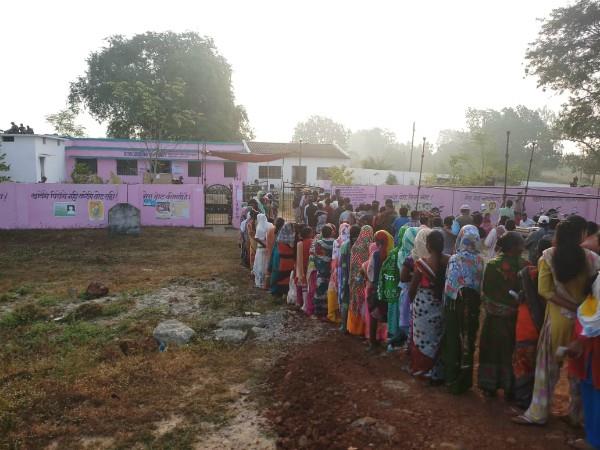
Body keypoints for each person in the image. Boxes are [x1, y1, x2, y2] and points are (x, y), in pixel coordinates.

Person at [514, 217, 600, 426]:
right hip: (583, 326)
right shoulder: (593, 259)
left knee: (546, 369)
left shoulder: (548, 257)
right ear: (581, 235)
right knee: (578, 373)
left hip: (556, 320)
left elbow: (545, 291)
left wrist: (568, 306)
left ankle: (538, 413)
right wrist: (579, 308)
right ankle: (577, 415)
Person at [478, 232, 529, 398]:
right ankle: (510, 387)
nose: (523, 247)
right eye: (521, 244)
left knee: (491, 349)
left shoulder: (493, 265)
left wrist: (496, 307)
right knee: (511, 352)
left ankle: (489, 385)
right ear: (514, 247)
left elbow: (486, 291)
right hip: (516, 318)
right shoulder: (525, 265)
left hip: (494, 317)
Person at [441, 225, 485, 395]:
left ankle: (451, 378)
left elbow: (449, 286)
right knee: (469, 340)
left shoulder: (455, 259)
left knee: (453, 339)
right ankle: (465, 380)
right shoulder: (481, 260)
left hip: (455, 305)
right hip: (473, 305)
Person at [512, 238, 552, 409]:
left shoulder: (527, 273)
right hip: (546, 324)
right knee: (539, 363)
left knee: (523, 361)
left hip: (526, 324)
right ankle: (536, 400)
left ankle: (522, 400)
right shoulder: (555, 275)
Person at [408, 229, 449, 382]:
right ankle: (437, 372)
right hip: (442, 304)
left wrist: (412, 304)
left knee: (422, 340)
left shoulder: (421, 263)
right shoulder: (449, 261)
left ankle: (423, 370)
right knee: (438, 338)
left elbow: (412, 289)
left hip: (423, 306)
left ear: (428, 245)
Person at [567, 276, 600, 449]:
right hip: (591, 343)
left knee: (594, 392)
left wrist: (580, 339)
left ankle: (594, 441)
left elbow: (596, 318)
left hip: (594, 345)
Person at [366, 230, 394, 351]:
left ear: (377, 242)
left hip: (377, 288)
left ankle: (373, 342)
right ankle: (388, 341)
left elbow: (370, 272)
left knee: (374, 315)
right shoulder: (392, 254)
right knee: (388, 315)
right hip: (389, 288)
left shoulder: (376, 254)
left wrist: (372, 283)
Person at [348, 225, 374, 336]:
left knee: (355, 301)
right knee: (364, 301)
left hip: (355, 279)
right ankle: (364, 329)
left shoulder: (354, 246)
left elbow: (352, 264)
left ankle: (353, 328)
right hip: (365, 279)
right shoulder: (371, 247)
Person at [397, 227, 421, 347]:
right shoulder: (412, 256)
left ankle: (408, 343)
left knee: (408, 317)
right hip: (411, 290)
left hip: (407, 290)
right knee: (409, 318)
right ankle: (408, 343)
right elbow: (403, 275)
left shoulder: (403, 253)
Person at [339, 225, 361, 332]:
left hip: (346, 278)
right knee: (357, 303)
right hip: (358, 279)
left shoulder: (344, 245)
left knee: (345, 300)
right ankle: (355, 328)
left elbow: (341, 263)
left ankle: (344, 325)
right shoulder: (363, 246)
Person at [328, 223, 350, 323]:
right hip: (346, 269)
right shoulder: (350, 242)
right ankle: (345, 315)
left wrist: (333, 270)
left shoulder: (336, 241)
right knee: (345, 289)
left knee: (336, 288)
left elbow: (334, 256)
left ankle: (336, 312)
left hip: (336, 267)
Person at [313, 225, 335, 318]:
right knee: (329, 288)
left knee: (320, 287)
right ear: (331, 232)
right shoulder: (335, 242)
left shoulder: (319, 243)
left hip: (321, 269)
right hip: (331, 269)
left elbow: (316, 256)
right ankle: (328, 308)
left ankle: (318, 309)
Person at [270, 222, 296, 298]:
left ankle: (276, 292)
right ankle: (284, 292)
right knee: (286, 277)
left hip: (279, 260)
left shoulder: (279, 239)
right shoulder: (292, 239)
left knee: (278, 275)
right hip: (287, 262)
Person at [295, 226, 314, 310]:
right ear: (309, 234)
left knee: (302, 285)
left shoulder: (300, 243)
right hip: (310, 265)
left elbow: (298, 257)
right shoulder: (313, 242)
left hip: (301, 265)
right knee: (309, 286)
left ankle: (301, 302)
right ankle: (307, 305)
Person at [253, 214, 273, 288]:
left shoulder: (259, 227)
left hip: (261, 248)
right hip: (268, 248)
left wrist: (264, 244)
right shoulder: (270, 225)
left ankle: (260, 282)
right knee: (267, 264)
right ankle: (267, 282)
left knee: (260, 264)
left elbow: (256, 238)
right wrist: (267, 244)